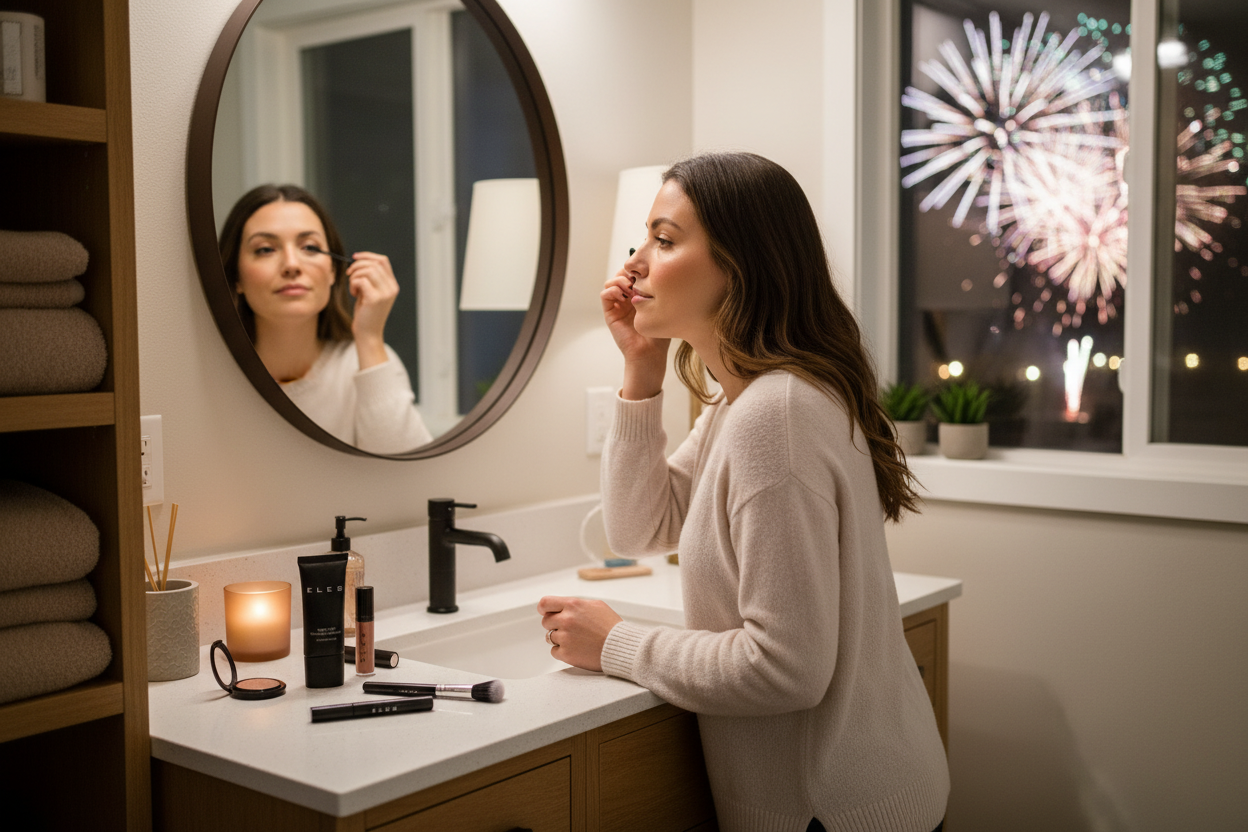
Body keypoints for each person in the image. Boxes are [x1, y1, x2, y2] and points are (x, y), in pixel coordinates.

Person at [537, 152, 949, 832]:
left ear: (740, 266)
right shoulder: (748, 401)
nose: (635, 261)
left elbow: (785, 669)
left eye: (665, 240)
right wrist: (641, 373)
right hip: (869, 795)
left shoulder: (773, 414)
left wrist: (615, 642)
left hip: (828, 811)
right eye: (643, 238)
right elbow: (643, 527)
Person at [219, 184, 432, 454]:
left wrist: (369, 338)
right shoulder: (213, 375)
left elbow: (407, 476)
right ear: (236, 277)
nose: (291, 265)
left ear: (333, 271)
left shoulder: (366, 364)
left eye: (309, 247)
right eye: (265, 250)